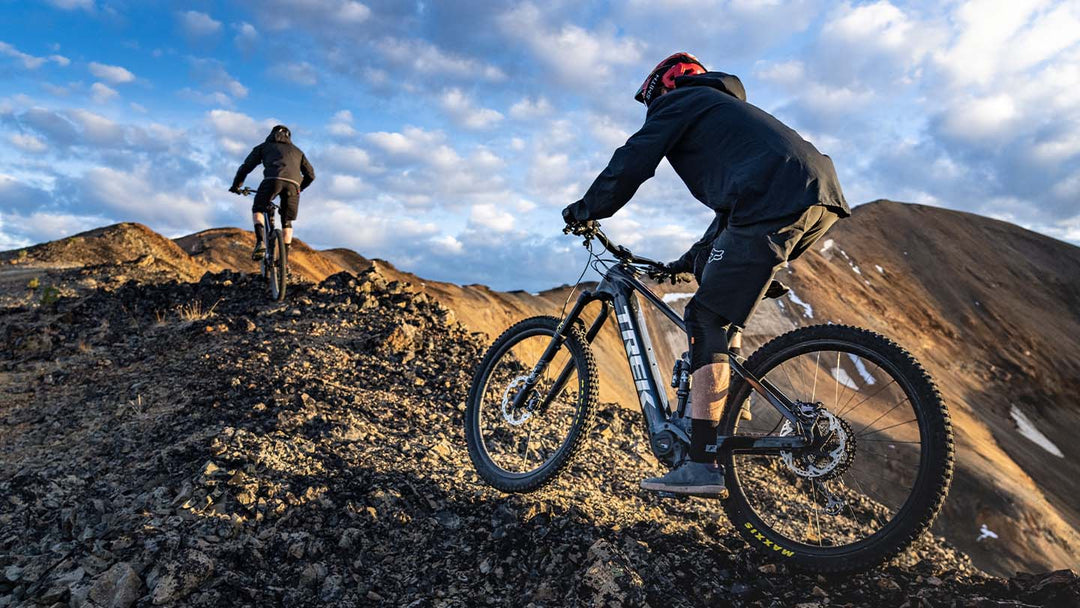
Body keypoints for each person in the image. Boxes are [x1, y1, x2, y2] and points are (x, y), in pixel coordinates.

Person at [562, 53, 849, 497]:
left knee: (706, 319)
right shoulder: (725, 112)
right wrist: (686, 260)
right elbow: (729, 218)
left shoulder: (682, 101)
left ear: (664, 87)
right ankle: (731, 407)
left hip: (774, 197)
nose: (650, 109)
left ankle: (702, 461)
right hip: (817, 196)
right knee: (719, 301)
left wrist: (588, 209)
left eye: (649, 100)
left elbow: (634, 160)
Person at [230, 125, 316, 265]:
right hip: (294, 185)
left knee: (258, 209)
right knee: (287, 222)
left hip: (272, 181)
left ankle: (260, 242)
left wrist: (236, 186)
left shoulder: (264, 147)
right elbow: (311, 175)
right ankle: (284, 261)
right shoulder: (298, 152)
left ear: (272, 134)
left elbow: (246, 167)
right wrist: (300, 187)